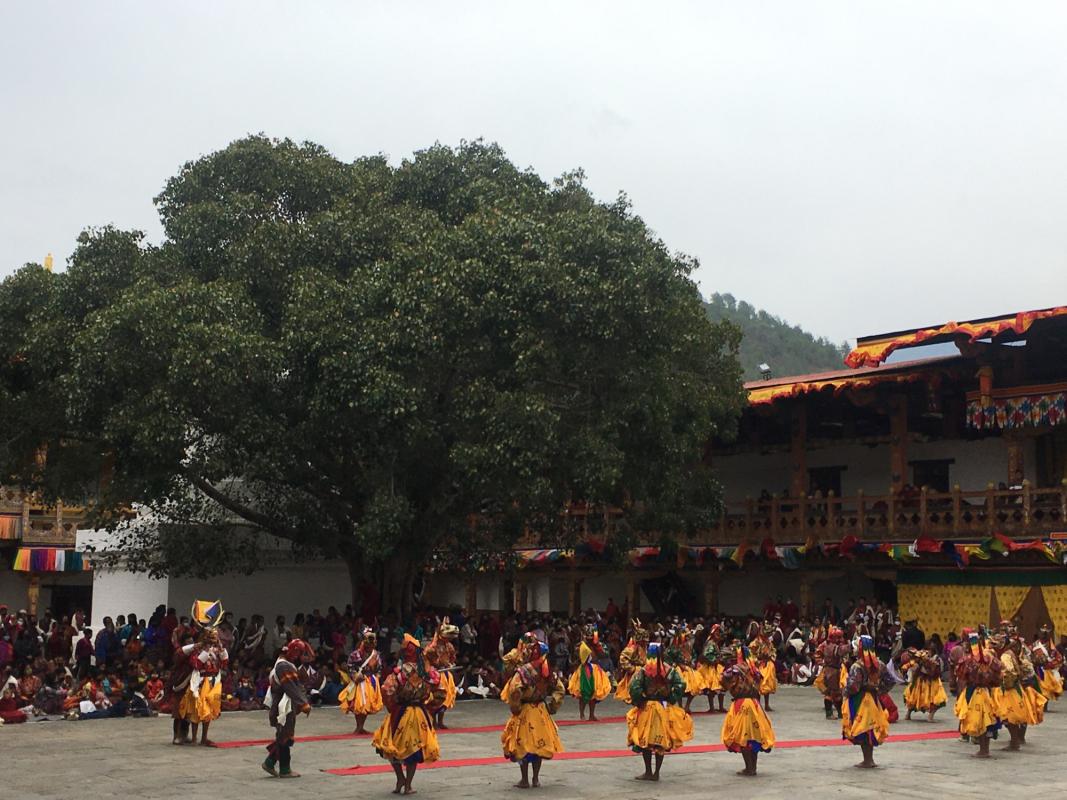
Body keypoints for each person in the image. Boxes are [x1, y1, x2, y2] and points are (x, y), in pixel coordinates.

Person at [372, 634, 441, 795]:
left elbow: (386, 690)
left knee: (391, 746)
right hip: (418, 713)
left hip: (400, 712)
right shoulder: (428, 672)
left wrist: (392, 705)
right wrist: (429, 706)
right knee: (413, 750)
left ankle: (400, 778)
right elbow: (440, 692)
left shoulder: (399, 672)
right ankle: (408, 784)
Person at [501, 639, 565, 788]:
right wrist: (552, 706)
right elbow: (560, 689)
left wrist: (515, 708)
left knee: (523, 745)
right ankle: (536, 779)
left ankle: (525, 780)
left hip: (526, 712)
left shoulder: (523, 671)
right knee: (539, 746)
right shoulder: (548, 671)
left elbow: (515, 690)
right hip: (541, 712)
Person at [626, 641, 693, 782]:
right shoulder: (669, 670)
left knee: (646, 740)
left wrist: (640, 700)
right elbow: (681, 684)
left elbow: (634, 687)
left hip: (647, 708)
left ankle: (648, 771)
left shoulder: (644, 671)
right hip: (663, 708)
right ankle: (656, 772)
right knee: (660, 741)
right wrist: (671, 697)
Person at [720, 644, 775, 776]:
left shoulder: (735, 669)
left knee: (743, 737)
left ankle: (749, 768)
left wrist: (731, 686)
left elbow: (722, 679)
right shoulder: (754, 669)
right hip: (754, 704)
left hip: (742, 703)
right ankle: (753, 767)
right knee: (754, 737)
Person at [263, 638, 313, 778]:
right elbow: (291, 687)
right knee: (284, 737)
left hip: (283, 704)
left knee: (284, 736)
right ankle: (284, 769)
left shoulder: (282, 663)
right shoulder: (284, 666)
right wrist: (303, 704)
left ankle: (270, 762)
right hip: (283, 706)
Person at [841, 635, 889, 768]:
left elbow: (853, 686)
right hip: (873, 700)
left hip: (860, 700)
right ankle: (869, 759)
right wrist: (878, 689)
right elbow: (890, 680)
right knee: (870, 727)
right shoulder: (879, 664)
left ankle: (868, 760)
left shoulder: (857, 666)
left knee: (863, 728)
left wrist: (845, 692)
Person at [177, 625, 228, 746]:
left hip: (213, 681)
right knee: (197, 710)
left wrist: (220, 647)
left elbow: (225, 662)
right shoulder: (197, 650)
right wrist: (205, 650)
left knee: (209, 711)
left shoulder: (217, 649)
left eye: (215, 636)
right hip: (200, 681)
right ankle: (194, 738)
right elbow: (196, 664)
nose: (213, 638)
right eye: (211, 636)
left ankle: (204, 737)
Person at [955, 629, 1003, 758]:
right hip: (987, 691)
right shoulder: (989, 658)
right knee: (986, 719)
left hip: (976, 692)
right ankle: (984, 749)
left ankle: (984, 750)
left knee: (981, 719)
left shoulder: (970, 660)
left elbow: (962, 676)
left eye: (965, 643)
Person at [995, 632, 1045, 751]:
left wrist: (1004, 683)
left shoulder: (1006, 656)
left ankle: (1015, 742)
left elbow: (1009, 672)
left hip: (1011, 689)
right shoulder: (1012, 653)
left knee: (1009, 716)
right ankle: (1017, 740)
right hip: (1017, 687)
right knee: (1015, 715)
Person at [339, 627, 383, 734]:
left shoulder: (376, 655)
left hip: (371, 681)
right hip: (359, 681)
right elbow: (350, 666)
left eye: (373, 641)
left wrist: (377, 677)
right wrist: (354, 675)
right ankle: (359, 726)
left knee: (367, 705)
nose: (372, 644)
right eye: (369, 641)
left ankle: (361, 726)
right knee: (359, 705)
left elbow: (379, 668)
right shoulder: (355, 654)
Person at [566, 624, 612, 721]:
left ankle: (592, 714)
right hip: (584, 669)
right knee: (583, 692)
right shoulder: (580, 645)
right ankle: (582, 714)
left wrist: (597, 645)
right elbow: (576, 657)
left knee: (594, 692)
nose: (590, 637)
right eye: (588, 635)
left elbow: (604, 654)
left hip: (595, 669)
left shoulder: (598, 644)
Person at [423, 618, 459, 729]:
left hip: (447, 674)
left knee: (447, 697)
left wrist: (450, 664)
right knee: (436, 698)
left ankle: (440, 721)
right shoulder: (432, 647)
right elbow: (426, 659)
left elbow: (452, 657)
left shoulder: (449, 646)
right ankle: (432, 721)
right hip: (436, 675)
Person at [901, 644, 946, 722]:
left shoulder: (936, 659)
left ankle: (930, 716)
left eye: (929, 651)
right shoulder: (920, 656)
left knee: (936, 699)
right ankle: (908, 714)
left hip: (932, 682)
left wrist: (927, 661)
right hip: (920, 680)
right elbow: (914, 665)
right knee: (913, 698)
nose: (927, 652)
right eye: (926, 650)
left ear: (933, 651)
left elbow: (936, 671)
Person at [814, 626, 849, 719]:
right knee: (832, 693)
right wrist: (852, 645)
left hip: (833, 670)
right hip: (832, 671)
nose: (841, 639)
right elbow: (841, 651)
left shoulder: (832, 645)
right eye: (838, 637)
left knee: (835, 693)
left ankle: (839, 712)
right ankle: (830, 713)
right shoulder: (831, 646)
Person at [614, 620, 649, 704]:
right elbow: (623, 658)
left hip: (645, 672)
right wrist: (632, 669)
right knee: (636, 695)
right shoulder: (633, 648)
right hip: (636, 673)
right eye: (644, 640)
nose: (646, 642)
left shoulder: (644, 647)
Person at [696, 624, 726, 712]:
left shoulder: (715, 643)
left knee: (721, 687)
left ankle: (721, 707)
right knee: (711, 688)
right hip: (710, 667)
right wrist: (715, 660)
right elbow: (706, 655)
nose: (719, 635)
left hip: (717, 667)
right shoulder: (710, 643)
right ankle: (712, 707)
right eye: (717, 632)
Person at [749, 621, 778, 712]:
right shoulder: (756, 642)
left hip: (768, 665)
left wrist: (771, 656)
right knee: (758, 685)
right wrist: (758, 660)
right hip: (759, 664)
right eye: (767, 633)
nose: (768, 635)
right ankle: (757, 704)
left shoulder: (768, 641)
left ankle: (766, 705)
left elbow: (773, 651)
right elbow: (750, 654)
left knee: (767, 685)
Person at [1031, 625, 1063, 701]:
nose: (1044, 635)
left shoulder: (1052, 647)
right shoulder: (1035, 645)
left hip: (1048, 670)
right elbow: (1029, 655)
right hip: (1037, 669)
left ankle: (1045, 703)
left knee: (1047, 688)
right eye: (1042, 633)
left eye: (1046, 634)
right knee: (1039, 688)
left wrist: (1051, 664)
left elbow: (1059, 658)